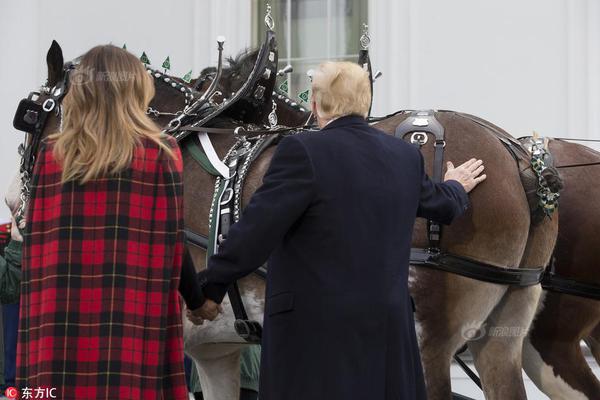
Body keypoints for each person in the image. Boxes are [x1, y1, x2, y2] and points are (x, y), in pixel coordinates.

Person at [190, 61, 486, 400]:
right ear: (366, 103)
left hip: (314, 336)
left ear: (316, 104)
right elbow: (442, 205)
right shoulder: (404, 156)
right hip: (387, 333)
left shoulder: (302, 151)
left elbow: (255, 232)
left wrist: (210, 289)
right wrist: (457, 186)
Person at [17, 45, 189, 399]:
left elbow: (35, 253)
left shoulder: (50, 156)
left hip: (56, 330)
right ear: (136, 90)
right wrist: (200, 299)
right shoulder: (161, 154)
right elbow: (174, 245)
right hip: (132, 326)